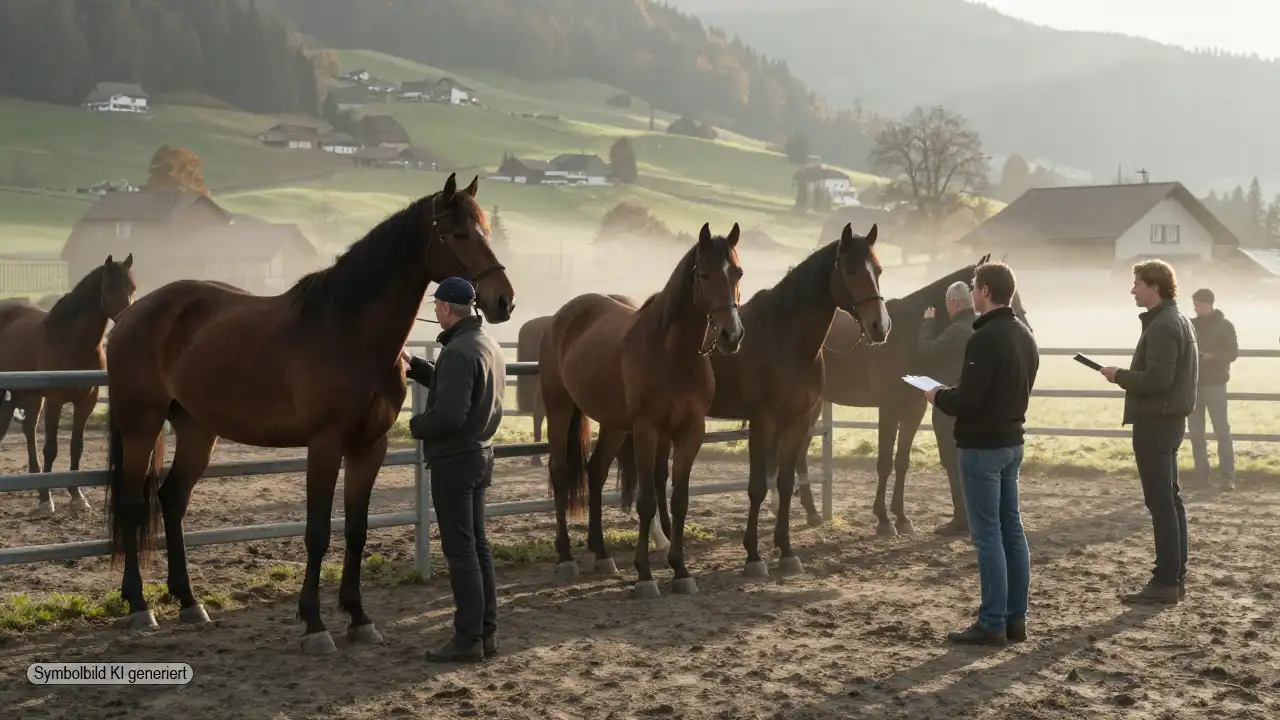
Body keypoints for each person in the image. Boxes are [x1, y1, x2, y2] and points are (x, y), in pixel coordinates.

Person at [924, 262, 1038, 647]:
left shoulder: (984, 338)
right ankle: (1015, 619)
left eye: (975, 286)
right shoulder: (1025, 335)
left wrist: (938, 395)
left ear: (985, 291)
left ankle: (991, 622)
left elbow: (968, 399)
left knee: (987, 535)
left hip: (982, 447)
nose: (973, 292)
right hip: (1012, 442)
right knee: (1012, 530)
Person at [406, 277, 507, 663]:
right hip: (481, 455)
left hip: (455, 462)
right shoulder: (485, 344)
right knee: (478, 548)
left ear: (446, 308)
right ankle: (486, 633)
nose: (435, 311)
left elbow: (449, 414)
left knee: (460, 552)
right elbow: (463, 387)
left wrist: (416, 426)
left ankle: (467, 639)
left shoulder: (459, 351)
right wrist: (418, 368)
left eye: (436, 306)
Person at [1100, 260, 1198, 605]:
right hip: (1169, 422)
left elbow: (1158, 380)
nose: (1133, 290)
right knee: (1170, 500)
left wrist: (1119, 376)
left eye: (1137, 284)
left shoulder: (1162, 326)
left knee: (1161, 502)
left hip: (1156, 423)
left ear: (1155, 286)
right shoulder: (1179, 320)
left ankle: (1165, 581)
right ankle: (1174, 576)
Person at [918, 281, 977, 535]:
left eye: (946, 304)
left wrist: (928, 322)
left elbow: (926, 351)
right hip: (976, 404)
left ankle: (962, 518)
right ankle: (974, 515)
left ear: (954, 303)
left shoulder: (957, 330)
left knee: (952, 462)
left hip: (951, 404)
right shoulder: (979, 325)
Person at [1188, 288, 1237, 491]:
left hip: (1216, 383)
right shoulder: (1190, 325)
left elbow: (1232, 352)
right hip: (1193, 385)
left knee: (1222, 431)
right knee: (1196, 433)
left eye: (1199, 304)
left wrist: (1212, 356)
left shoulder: (1225, 326)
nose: (1196, 308)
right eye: (1195, 304)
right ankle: (1202, 475)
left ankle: (1227, 477)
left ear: (1209, 304)